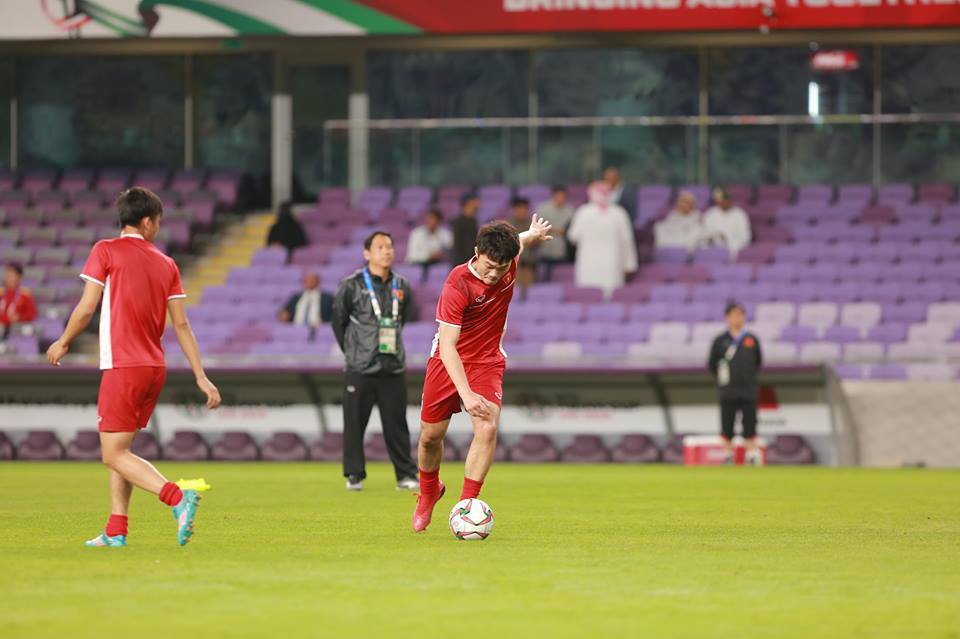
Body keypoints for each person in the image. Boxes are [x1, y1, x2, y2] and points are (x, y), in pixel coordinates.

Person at [45, 187, 221, 548]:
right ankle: (116, 529)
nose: (158, 227)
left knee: (113, 453)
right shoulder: (167, 263)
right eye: (158, 221)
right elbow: (182, 326)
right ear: (146, 221)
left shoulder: (105, 250)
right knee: (122, 451)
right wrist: (201, 376)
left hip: (123, 365)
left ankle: (176, 498)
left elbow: (86, 308)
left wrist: (63, 341)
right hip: (154, 366)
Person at [412, 214, 553, 532]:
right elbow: (448, 346)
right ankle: (429, 491)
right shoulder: (457, 283)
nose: (493, 274)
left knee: (487, 427)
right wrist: (466, 394)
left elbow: (521, 241)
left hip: (487, 360)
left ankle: (465, 508)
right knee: (430, 438)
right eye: (488, 266)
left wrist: (533, 232)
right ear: (477, 252)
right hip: (448, 360)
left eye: (500, 269)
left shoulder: (509, 258)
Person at [331, 231, 418, 492]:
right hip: (360, 366)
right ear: (367, 253)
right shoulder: (352, 284)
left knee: (397, 424)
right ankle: (354, 475)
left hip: (392, 365)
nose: (387, 251)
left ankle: (405, 475)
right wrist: (353, 351)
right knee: (355, 423)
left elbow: (402, 317)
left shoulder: (401, 285)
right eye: (380, 247)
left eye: (390, 246)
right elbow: (338, 321)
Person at [707, 301, 763, 465]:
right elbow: (712, 364)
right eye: (734, 314)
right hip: (728, 390)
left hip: (748, 390)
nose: (738, 318)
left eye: (741, 314)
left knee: (750, 422)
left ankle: (751, 453)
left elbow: (758, 362)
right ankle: (728, 454)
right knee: (727, 423)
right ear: (727, 317)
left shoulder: (751, 339)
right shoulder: (720, 341)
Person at [567, 181, 638, 299]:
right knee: (589, 295)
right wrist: (629, 264)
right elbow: (573, 237)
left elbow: (572, 237)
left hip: (610, 263)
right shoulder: (585, 212)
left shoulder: (617, 213)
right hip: (593, 263)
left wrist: (629, 265)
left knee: (610, 296)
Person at [278, 271, 334, 336]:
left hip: (318, 330)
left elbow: (334, 314)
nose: (309, 282)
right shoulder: (296, 297)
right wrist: (283, 315)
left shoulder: (328, 298)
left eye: (312, 280)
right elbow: (285, 311)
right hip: (296, 329)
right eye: (306, 280)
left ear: (318, 282)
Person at [701, 187, 752, 258]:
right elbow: (703, 232)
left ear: (730, 200)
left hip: (732, 249)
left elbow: (745, 239)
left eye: (726, 199)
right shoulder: (710, 214)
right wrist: (709, 238)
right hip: (711, 249)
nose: (723, 202)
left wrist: (726, 238)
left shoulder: (739, 214)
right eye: (721, 200)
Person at [406, 209, 453, 281]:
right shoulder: (416, 233)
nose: (431, 223)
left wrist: (443, 254)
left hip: (438, 265)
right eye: (429, 219)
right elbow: (412, 256)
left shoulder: (445, 233)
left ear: (439, 221)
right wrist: (430, 256)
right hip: (418, 265)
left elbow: (451, 248)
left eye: (434, 220)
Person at [535, 186, 575, 269]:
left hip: (563, 249)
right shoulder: (543, 208)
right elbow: (537, 227)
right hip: (546, 248)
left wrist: (554, 230)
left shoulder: (570, 210)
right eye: (558, 196)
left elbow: (573, 230)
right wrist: (558, 231)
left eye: (563, 196)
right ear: (553, 195)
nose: (560, 198)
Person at [507, 197, 537, 292]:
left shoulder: (532, 224)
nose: (522, 211)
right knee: (515, 292)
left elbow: (537, 243)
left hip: (529, 264)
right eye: (519, 209)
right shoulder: (508, 225)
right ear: (515, 210)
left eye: (524, 209)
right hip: (513, 265)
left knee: (531, 292)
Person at [1, 262, 38, 340]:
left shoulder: (25, 294)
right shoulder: (1, 293)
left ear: (19, 277)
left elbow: (31, 314)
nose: (8, 278)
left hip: (17, 330)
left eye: (11, 275)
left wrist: (19, 318)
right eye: (7, 275)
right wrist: (7, 319)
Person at [449, 193, 480, 266]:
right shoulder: (458, 222)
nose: (478, 203)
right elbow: (457, 246)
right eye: (475, 201)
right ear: (469, 203)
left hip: (472, 262)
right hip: (462, 263)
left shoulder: (473, 221)